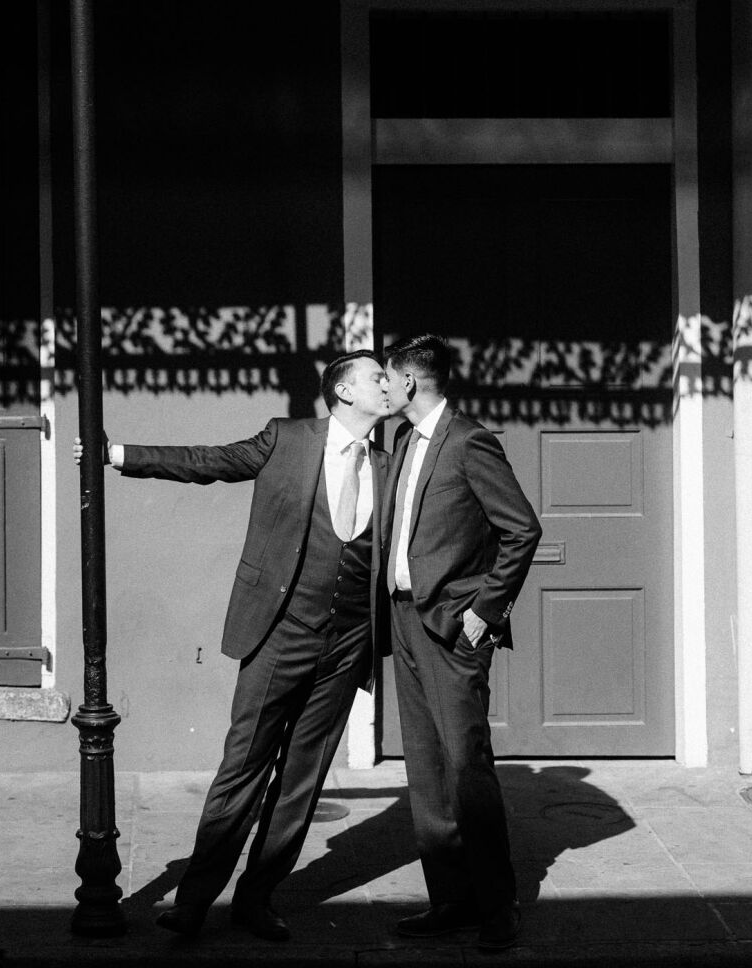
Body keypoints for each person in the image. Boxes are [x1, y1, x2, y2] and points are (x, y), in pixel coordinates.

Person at [73, 350, 390, 939]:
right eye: (376, 377)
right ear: (344, 392)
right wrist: (116, 455)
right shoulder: (287, 439)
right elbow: (211, 461)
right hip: (279, 630)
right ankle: (193, 901)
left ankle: (256, 898)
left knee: (302, 777)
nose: (388, 385)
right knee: (243, 765)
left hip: (349, 643)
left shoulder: (389, 463)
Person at [381, 333, 541, 953]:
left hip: (453, 627)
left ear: (412, 383)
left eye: (389, 379)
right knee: (424, 767)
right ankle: (450, 898)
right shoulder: (401, 440)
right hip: (404, 619)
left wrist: (485, 608)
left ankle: (498, 907)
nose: (385, 389)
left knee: (466, 766)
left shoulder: (469, 441)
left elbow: (521, 528)